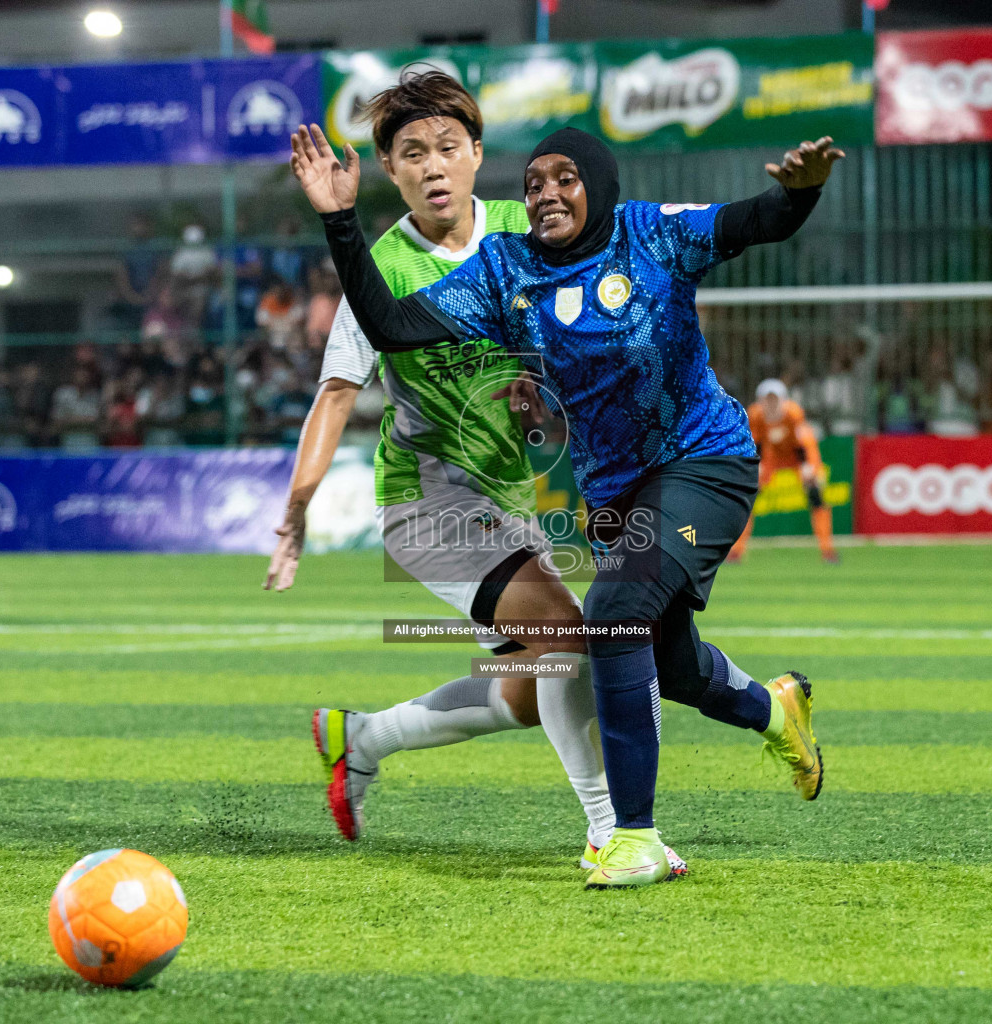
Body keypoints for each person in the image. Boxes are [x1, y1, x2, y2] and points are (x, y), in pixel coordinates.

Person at [292, 118, 838, 888]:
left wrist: (801, 195)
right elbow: (391, 324)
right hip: (614, 494)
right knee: (664, 664)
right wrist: (340, 220)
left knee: (610, 613)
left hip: (704, 461)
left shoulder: (650, 233)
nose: (547, 193)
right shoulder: (503, 269)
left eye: (565, 179)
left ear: (600, 186)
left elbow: (755, 220)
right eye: (535, 183)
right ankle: (779, 712)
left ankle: (629, 837)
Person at [267, 72, 686, 878]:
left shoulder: (523, 233)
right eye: (412, 153)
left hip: (508, 498)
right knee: (567, 636)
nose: (433, 167)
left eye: (447, 148)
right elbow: (334, 395)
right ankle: (610, 831)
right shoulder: (380, 273)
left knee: (530, 692)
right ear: (390, 169)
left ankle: (360, 739)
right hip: (425, 500)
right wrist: (297, 509)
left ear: (477, 154)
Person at [728, 378, 836, 564]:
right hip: (772, 457)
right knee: (746, 497)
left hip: (797, 456)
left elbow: (802, 443)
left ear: (783, 400)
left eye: (774, 399)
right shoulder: (755, 415)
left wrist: (807, 467)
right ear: (760, 400)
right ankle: (736, 551)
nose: (771, 404)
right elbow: (756, 442)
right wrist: (756, 467)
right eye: (766, 399)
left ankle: (827, 550)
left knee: (815, 494)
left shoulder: (793, 413)